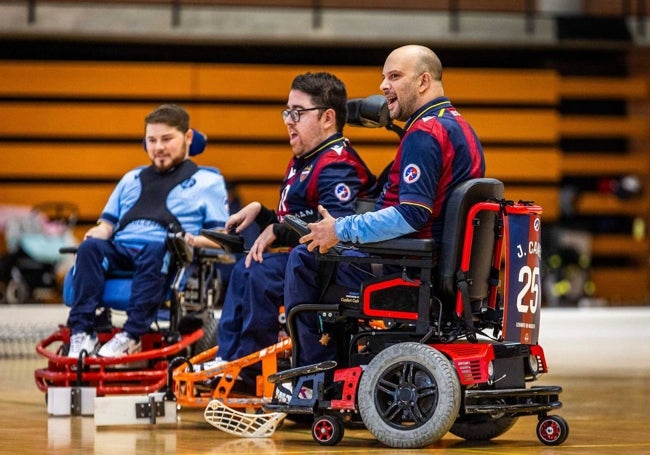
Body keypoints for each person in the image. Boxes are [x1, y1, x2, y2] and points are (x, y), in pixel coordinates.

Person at [284, 45, 486, 368]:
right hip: (433, 265)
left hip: (405, 268)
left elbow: (411, 214)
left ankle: (314, 374)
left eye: (394, 76)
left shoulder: (424, 134)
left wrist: (340, 228)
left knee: (304, 260)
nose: (382, 86)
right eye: (383, 77)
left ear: (423, 82)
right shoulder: (460, 126)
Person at [195, 72, 376, 383]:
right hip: (305, 263)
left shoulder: (337, 164)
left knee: (260, 272)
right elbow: (297, 217)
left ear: (327, 118)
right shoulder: (305, 159)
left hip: (338, 267)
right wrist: (263, 214)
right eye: (286, 112)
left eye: (297, 112)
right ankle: (230, 357)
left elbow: (332, 229)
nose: (288, 121)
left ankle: (251, 371)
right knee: (247, 266)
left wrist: (277, 231)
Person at [66, 104, 229, 358]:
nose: (158, 147)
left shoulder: (209, 181)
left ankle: (132, 335)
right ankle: (82, 332)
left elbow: (222, 239)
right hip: (122, 250)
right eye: (151, 140)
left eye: (167, 139)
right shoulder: (131, 178)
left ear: (187, 137)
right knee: (89, 247)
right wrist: (94, 234)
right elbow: (106, 226)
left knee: (157, 247)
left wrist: (193, 240)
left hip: (167, 253)